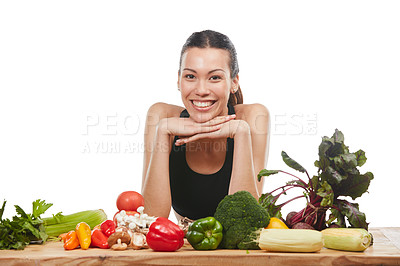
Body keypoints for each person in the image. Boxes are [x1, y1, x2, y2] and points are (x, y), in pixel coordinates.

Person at [141, 30, 270, 221]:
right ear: (178, 80)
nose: (201, 90)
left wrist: (241, 132)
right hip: (185, 247)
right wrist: (162, 131)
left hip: (232, 251)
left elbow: (244, 221)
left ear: (234, 82)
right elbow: (150, 220)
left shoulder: (253, 117)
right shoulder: (161, 117)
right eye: (191, 77)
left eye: (215, 78)